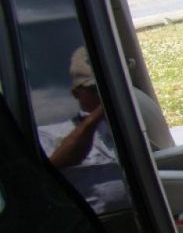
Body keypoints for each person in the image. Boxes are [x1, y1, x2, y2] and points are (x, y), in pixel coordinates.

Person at [38, 46, 127, 213]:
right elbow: (58, 162)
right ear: (76, 93)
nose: (101, 95)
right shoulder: (49, 134)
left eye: (106, 88)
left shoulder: (129, 122)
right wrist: (99, 113)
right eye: (94, 90)